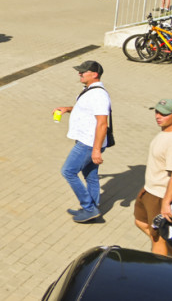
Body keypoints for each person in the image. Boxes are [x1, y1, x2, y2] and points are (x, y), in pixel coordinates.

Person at [52, 60, 111, 223]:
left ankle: (89, 208)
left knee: (68, 171)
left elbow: (102, 123)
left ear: (94, 74)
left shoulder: (99, 95)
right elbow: (85, 109)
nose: (80, 74)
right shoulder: (90, 90)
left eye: (83, 72)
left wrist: (96, 150)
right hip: (88, 141)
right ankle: (92, 207)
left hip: (89, 143)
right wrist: (67, 109)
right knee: (90, 175)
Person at [134, 98, 172, 257]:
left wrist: (166, 203)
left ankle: (159, 272)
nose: (158, 116)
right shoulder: (164, 133)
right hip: (150, 190)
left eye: (164, 114)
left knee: (158, 240)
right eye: (156, 112)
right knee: (140, 221)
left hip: (160, 197)